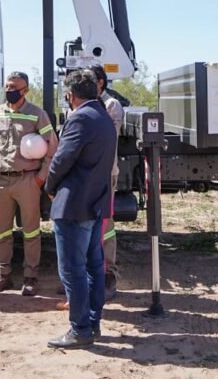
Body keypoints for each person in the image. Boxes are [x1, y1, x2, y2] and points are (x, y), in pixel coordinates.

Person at [45, 69, 116, 349]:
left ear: (70, 95)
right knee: (93, 267)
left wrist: (49, 186)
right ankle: (92, 323)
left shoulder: (80, 117)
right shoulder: (103, 117)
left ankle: (80, 329)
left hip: (74, 205)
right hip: (95, 202)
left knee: (72, 270)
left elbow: (62, 160)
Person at [0, 71, 58, 296]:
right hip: (0, 181)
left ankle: (30, 277)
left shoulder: (36, 114)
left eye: (14, 87)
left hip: (27, 181)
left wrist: (40, 178)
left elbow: (52, 147)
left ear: (25, 90)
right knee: (2, 233)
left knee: (31, 231)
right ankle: (2, 276)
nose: (9, 90)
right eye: (7, 86)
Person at [90, 65, 123, 300]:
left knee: (105, 225)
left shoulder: (111, 106)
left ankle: (108, 275)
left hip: (104, 173)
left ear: (101, 82)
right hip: (86, 174)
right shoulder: (83, 104)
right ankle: (88, 278)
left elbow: (103, 138)